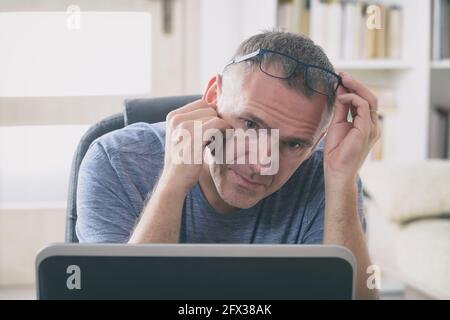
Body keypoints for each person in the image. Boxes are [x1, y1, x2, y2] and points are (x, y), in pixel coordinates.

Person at [76, 31, 380, 299]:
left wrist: (342, 179)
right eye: (250, 124)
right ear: (213, 95)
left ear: (317, 142)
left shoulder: (327, 176)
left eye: (293, 144)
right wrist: (173, 181)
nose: (261, 165)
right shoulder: (116, 159)